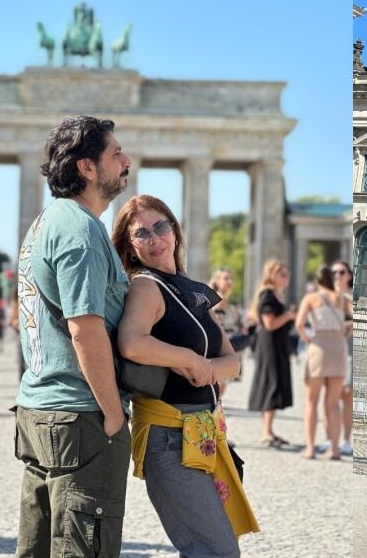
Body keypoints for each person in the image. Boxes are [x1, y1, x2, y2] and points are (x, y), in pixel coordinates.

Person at [12, 115, 132, 558]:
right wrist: (113, 413)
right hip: (81, 416)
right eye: (116, 153)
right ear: (86, 167)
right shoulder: (81, 230)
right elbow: (86, 329)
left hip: (40, 408)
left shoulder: (43, 224)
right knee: (84, 548)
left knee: (39, 548)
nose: (127, 161)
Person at [114, 194, 257, 557]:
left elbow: (231, 361)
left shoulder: (190, 290)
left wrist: (205, 367)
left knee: (214, 546)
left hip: (203, 432)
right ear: (130, 247)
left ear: (175, 231)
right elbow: (131, 343)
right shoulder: (146, 285)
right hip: (170, 436)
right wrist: (190, 359)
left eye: (161, 226)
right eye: (141, 233)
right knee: (215, 551)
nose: (155, 238)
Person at [294, 264, 352, 460]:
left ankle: (310, 448)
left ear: (317, 280)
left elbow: (299, 324)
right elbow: (354, 321)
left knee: (312, 401)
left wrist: (309, 340)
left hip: (319, 346)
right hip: (338, 347)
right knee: (333, 403)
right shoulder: (342, 299)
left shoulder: (311, 298)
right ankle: (335, 449)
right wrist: (344, 332)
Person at [246, 260, 297, 448]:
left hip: (277, 345)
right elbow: (270, 324)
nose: (287, 278)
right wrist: (289, 316)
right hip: (269, 346)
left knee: (276, 384)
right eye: (282, 274)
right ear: (272, 275)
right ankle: (266, 432)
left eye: (287, 274)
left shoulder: (277, 294)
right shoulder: (268, 294)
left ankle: (269, 430)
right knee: (271, 385)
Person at [331, 260, 355, 457]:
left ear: (348, 275)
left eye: (341, 272)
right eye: (334, 273)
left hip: (347, 352)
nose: (337, 276)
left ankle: (346, 440)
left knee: (346, 397)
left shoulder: (350, 298)